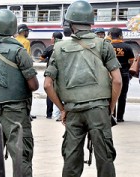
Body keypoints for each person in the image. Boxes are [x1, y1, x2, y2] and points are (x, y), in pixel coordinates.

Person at [43, 1, 122, 177]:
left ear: (70, 24)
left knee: (71, 160)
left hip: (72, 110)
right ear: (90, 22)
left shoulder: (58, 48)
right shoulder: (103, 45)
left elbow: (47, 85)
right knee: (105, 159)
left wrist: (62, 109)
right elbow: (117, 81)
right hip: (99, 110)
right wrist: (109, 107)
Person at [0, 9, 39, 176]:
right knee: (20, 155)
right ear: (13, 29)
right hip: (16, 111)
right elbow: (33, 85)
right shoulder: (19, 52)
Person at [109, 27, 135, 122]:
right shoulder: (127, 47)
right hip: (124, 73)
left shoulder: (108, 46)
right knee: (123, 95)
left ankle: (112, 115)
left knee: (112, 95)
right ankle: (120, 117)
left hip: (111, 74)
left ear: (110, 35)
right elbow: (131, 61)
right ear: (121, 35)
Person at [40, 32, 63, 120]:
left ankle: (49, 114)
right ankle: (60, 113)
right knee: (59, 93)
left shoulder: (50, 48)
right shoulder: (63, 47)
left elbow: (42, 57)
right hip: (61, 74)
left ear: (54, 38)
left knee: (50, 93)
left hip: (50, 74)